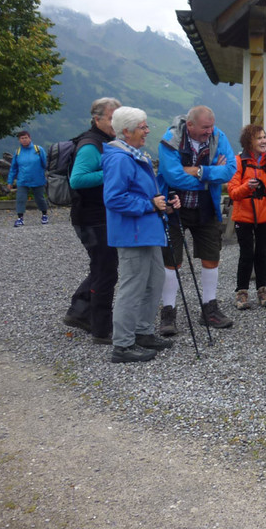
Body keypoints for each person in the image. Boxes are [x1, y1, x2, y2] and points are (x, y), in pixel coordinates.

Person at [102, 106, 180, 364]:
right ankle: (122, 345)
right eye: (143, 127)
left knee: (154, 282)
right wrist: (150, 205)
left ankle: (143, 332)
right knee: (133, 287)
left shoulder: (134, 155)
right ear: (127, 131)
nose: (147, 131)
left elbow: (143, 194)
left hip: (147, 232)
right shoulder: (120, 159)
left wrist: (164, 204)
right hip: (133, 234)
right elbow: (114, 199)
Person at [157, 105, 237, 333]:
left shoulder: (218, 136)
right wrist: (210, 177)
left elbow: (230, 170)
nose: (209, 131)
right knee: (172, 260)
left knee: (211, 256)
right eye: (205, 127)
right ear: (190, 125)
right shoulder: (170, 139)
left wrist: (198, 171)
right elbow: (173, 177)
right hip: (174, 206)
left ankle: (209, 309)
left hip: (205, 206)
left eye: (211, 126)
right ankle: (168, 313)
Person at [62, 97, 122, 343]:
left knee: (101, 267)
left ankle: (78, 312)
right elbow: (77, 180)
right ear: (97, 119)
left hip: (97, 215)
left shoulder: (105, 141)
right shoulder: (90, 145)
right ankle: (101, 327)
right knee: (106, 270)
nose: (116, 123)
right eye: (112, 118)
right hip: (91, 217)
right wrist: (111, 170)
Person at [227, 125, 266, 310]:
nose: (263, 141)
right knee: (246, 254)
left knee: (262, 253)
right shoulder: (239, 161)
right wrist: (248, 187)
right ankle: (242, 293)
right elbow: (233, 192)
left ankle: (263, 291)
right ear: (249, 141)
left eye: (264, 137)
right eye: (259, 138)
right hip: (243, 215)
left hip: (265, 214)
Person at [7, 130, 48, 227]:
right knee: (20, 199)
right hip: (23, 180)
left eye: (26, 138)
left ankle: (44, 215)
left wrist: (47, 175)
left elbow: (45, 164)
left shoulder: (38, 150)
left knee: (40, 198)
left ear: (30, 138)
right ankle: (20, 218)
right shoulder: (18, 152)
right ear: (19, 140)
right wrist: (10, 181)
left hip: (37, 179)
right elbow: (13, 168)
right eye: (22, 138)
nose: (24, 140)